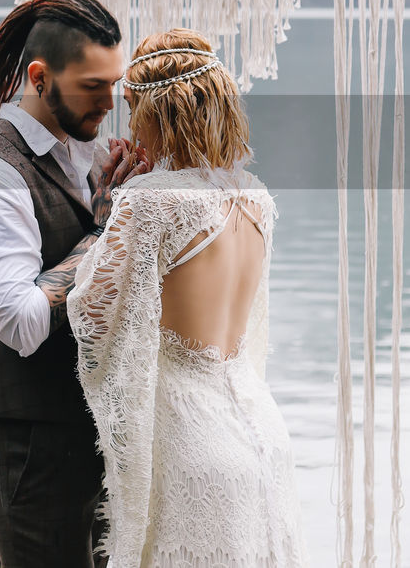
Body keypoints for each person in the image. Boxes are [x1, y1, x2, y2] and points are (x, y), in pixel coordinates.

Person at [66, 28, 310, 568]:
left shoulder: (151, 201)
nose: (128, 125)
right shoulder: (256, 198)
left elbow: (92, 315)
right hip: (261, 432)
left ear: (157, 115)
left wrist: (107, 215)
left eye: (133, 110)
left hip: (188, 443)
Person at [0, 0, 151, 568]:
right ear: (39, 76)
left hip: (94, 438)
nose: (112, 101)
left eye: (115, 83)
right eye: (93, 85)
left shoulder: (86, 153)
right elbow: (23, 324)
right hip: (30, 456)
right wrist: (108, 230)